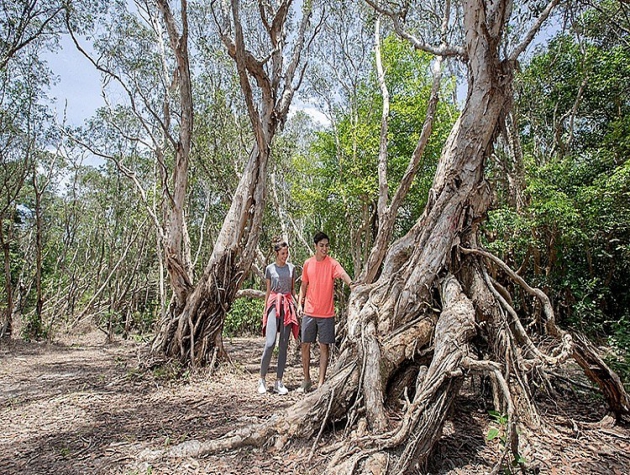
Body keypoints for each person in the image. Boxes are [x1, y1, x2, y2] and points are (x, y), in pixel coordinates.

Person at [297, 232, 353, 392]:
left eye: (327, 245)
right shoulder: (308, 263)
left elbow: (342, 274)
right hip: (309, 311)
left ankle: (321, 383)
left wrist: (352, 285)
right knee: (305, 345)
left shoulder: (332, 264)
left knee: (324, 347)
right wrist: (300, 304)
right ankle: (306, 380)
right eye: (321, 245)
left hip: (326, 314)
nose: (324, 248)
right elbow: (303, 284)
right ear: (315, 246)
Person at [258, 238, 299, 395]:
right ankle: (262, 379)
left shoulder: (292, 268)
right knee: (270, 343)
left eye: (287, 253)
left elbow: (293, 289)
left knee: (283, 345)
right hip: (273, 304)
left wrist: (298, 305)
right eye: (282, 253)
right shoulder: (270, 268)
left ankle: (278, 382)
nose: (285, 256)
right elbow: (268, 291)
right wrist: (265, 310)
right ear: (276, 254)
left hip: (287, 306)